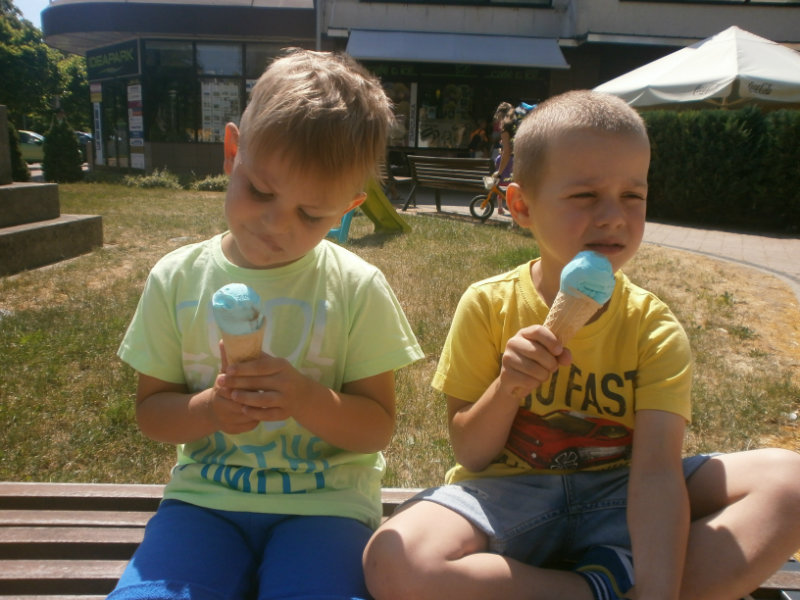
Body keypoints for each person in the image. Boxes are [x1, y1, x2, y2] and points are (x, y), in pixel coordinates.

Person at [363, 90, 800, 600]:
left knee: (789, 482)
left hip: (621, 494)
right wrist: (508, 387)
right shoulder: (488, 305)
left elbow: (656, 473)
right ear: (522, 206)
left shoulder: (653, 328)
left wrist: (660, 590)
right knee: (393, 560)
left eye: (632, 195)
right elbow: (472, 454)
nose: (613, 216)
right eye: (586, 195)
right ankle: (597, 588)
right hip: (505, 496)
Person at [110, 48, 424, 600]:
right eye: (261, 190)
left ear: (348, 208)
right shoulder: (177, 278)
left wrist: (305, 397)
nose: (276, 223)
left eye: (311, 214)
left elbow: (376, 428)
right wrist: (209, 410)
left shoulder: (357, 287)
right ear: (233, 153)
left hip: (327, 505)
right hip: (204, 501)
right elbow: (151, 413)